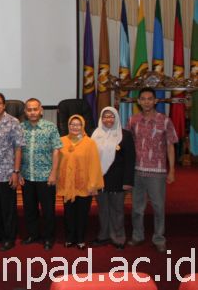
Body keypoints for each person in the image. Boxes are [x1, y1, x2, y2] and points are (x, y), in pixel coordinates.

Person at [127, 87, 178, 253]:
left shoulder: (165, 121)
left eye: (150, 99)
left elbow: (170, 146)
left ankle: (159, 238)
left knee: (158, 207)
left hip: (157, 172)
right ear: (139, 101)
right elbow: (128, 146)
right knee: (137, 208)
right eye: (143, 99)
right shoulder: (133, 120)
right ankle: (138, 236)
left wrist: (172, 170)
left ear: (155, 101)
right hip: (136, 171)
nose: (147, 102)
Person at [19, 98, 61, 251]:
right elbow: (17, 151)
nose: (32, 112)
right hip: (27, 176)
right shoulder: (20, 128)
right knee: (30, 209)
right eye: (29, 110)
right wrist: (18, 172)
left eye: (35, 109)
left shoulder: (50, 127)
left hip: (45, 177)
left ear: (41, 110)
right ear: (25, 112)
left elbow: (56, 150)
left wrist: (53, 173)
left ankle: (48, 237)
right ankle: (33, 234)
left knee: (48, 210)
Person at [91, 106, 135, 250]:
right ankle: (104, 235)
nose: (108, 119)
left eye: (111, 116)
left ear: (116, 118)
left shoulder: (125, 135)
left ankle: (118, 238)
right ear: (101, 118)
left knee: (117, 210)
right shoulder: (95, 134)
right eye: (105, 116)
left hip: (118, 179)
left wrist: (128, 181)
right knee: (103, 209)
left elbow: (130, 160)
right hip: (100, 179)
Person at [0, 93, 24, 252]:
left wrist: (16, 171)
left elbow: (18, 148)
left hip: (7, 173)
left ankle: (10, 238)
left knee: (8, 209)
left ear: (4, 105)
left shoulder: (13, 122)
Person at [58, 114, 104, 250]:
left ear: (82, 126)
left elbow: (94, 164)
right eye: (72, 124)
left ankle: (80, 239)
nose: (75, 127)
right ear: (68, 126)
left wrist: (93, 184)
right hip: (67, 184)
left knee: (82, 214)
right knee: (68, 213)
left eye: (78, 125)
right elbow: (57, 162)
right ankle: (69, 238)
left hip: (84, 185)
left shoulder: (89, 143)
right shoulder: (61, 141)